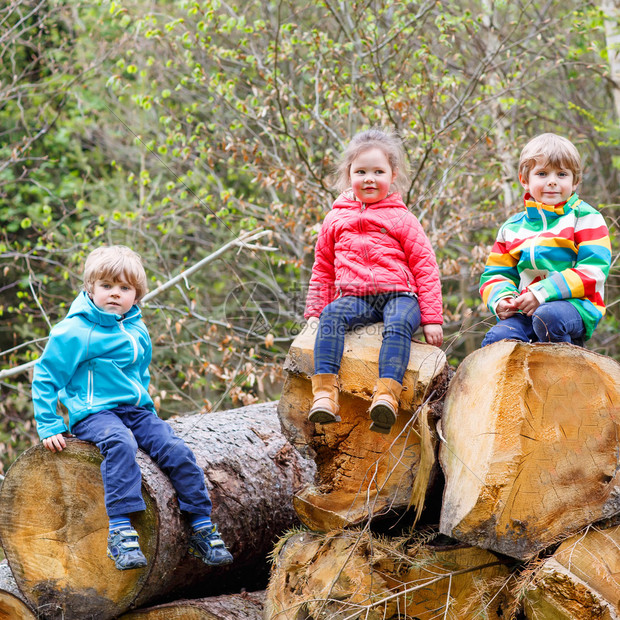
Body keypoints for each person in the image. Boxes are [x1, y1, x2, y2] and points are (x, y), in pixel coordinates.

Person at [32, 245, 233, 571]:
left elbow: (139, 372)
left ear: (136, 294)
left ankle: (200, 525)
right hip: (94, 413)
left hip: (135, 410)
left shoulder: (136, 328)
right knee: (119, 442)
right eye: (107, 286)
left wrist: (147, 407)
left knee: (174, 447)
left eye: (124, 288)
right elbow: (46, 377)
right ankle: (121, 530)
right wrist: (50, 423)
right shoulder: (74, 331)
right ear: (90, 288)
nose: (115, 294)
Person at [304, 128, 443, 435]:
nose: (369, 178)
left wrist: (432, 318)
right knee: (331, 317)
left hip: (400, 295)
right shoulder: (335, 219)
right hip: (357, 296)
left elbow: (426, 267)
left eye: (378, 171)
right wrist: (314, 312)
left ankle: (386, 396)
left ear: (392, 175)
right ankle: (325, 395)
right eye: (361, 171)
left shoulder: (402, 219)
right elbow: (324, 268)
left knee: (398, 323)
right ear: (348, 174)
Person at [479, 133, 611, 347]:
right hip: (525, 311)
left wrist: (542, 292)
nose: (552, 181)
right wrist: (501, 299)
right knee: (497, 338)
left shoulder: (586, 218)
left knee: (546, 317)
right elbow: (496, 273)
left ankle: (566, 366)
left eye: (561, 174)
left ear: (575, 181)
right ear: (525, 180)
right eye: (542, 173)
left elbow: (593, 271)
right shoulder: (512, 228)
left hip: (574, 307)